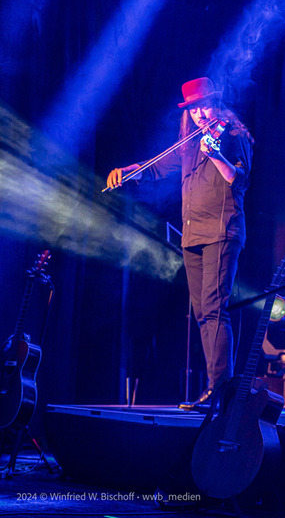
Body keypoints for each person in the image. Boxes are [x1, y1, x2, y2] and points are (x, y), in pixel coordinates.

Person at [106, 77, 254, 410]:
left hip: (222, 231)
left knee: (215, 309)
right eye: (193, 109)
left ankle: (220, 390)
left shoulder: (233, 136)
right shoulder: (189, 143)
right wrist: (129, 171)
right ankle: (216, 390)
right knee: (202, 313)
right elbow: (156, 168)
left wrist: (216, 155)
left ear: (215, 104)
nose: (200, 114)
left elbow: (240, 180)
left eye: (204, 107)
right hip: (193, 235)